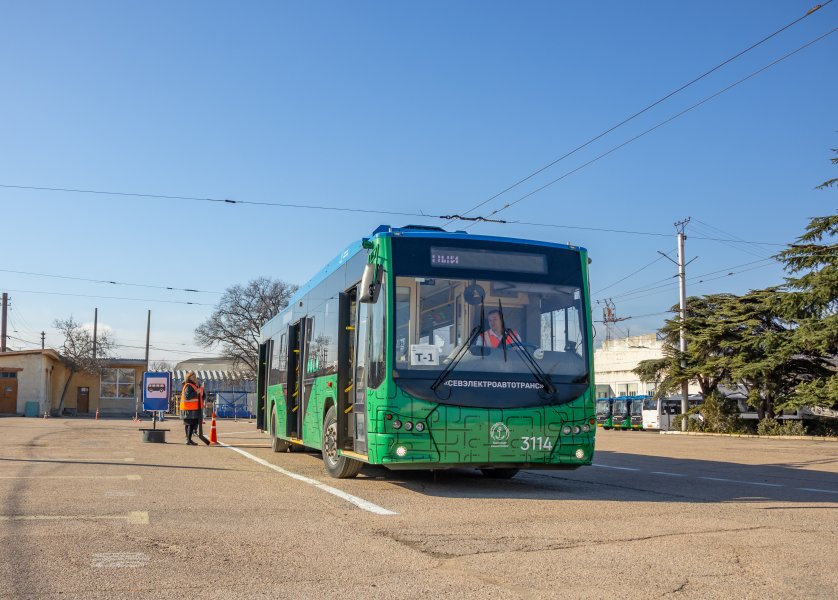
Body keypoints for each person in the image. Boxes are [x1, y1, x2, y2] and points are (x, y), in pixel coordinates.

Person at [180, 371, 202, 445]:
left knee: (188, 424)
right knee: (190, 424)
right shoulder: (189, 385)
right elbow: (187, 396)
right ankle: (189, 440)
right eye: (193, 377)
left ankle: (188, 439)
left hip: (189, 408)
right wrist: (197, 392)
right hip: (189, 408)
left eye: (195, 377)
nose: (194, 378)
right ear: (189, 377)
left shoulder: (192, 385)